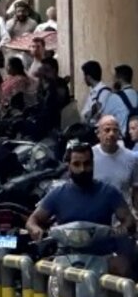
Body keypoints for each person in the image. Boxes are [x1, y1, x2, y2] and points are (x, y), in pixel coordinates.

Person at [27, 144, 135, 276]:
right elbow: (32, 220)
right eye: (77, 164)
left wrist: (122, 229)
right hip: (65, 258)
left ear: (93, 164)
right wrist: (35, 229)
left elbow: (128, 219)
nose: (83, 169)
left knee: (123, 268)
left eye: (87, 164)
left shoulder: (108, 192)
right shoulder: (58, 194)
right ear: (69, 166)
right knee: (38, 272)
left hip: (101, 257)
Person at [92, 115, 138, 211]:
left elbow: (136, 191)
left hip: (124, 219)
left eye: (115, 130)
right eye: (107, 130)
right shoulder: (89, 156)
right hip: (98, 219)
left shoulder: (131, 158)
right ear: (98, 133)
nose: (111, 134)